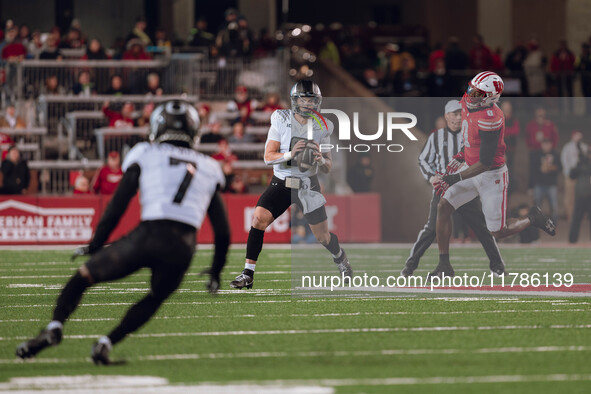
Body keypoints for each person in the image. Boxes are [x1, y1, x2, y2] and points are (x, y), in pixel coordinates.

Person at [16, 100, 230, 365]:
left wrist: (96, 243)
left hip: (149, 235)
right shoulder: (209, 166)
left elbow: (118, 205)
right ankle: (106, 343)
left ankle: (54, 328)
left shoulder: (146, 152)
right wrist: (216, 270)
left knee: (83, 277)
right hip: (183, 248)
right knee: (154, 298)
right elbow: (223, 231)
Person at [428, 72, 556, 279]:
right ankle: (444, 266)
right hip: (471, 167)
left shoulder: (492, 118)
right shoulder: (468, 100)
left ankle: (532, 218)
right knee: (443, 206)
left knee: (497, 231)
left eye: (478, 93)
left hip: (491, 175)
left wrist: (454, 178)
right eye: (471, 89)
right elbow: (469, 134)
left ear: (491, 97)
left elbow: (484, 164)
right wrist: (462, 154)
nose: (471, 94)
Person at [229, 80, 353, 290]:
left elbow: (328, 167)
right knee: (259, 218)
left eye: (311, 100)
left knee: (323, 237)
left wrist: (320, 159)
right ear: (295, 101)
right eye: (303, 99)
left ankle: (340, 258)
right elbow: (268, 157)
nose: (307, 104)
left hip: (307, 184)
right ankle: (247, 273)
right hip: (282, 181)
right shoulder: (280, 118)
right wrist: (290, 154)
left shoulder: (323, 125)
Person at [402, 100, 505, 277]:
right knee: (432, 228)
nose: (458, 118)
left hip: (466, 186)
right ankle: (411, 265)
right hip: (443, 189)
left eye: (460, 114)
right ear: (446, 116)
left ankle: (497, 265)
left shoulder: (471, 134)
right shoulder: (436, 137)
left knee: (480, 226)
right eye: (454, 114)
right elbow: (423, 160)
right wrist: (431, 176)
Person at [529, 139, 561, 223]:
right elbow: (533, 170)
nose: (546, 146)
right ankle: (536, 223)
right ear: (542, 145)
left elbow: (559, 168)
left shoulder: (555, 154)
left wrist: (552, 168)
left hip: (551, 184)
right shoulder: (536, 154)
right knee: (537, 205)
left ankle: (554, 223)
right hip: (539, 184)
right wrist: (531, 186)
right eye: (545, 144)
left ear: (551, 145)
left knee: (554, 206)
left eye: (548, 144)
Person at [561, 131, 588, 221]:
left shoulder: (584, 147)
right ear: (573, 136)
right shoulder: (568, 147)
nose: (579, 138)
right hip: (571, 175)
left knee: (582, 195)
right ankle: (569, 214)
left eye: (580, 136)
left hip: (582, 176)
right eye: (577, 136)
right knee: (570, 195)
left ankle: (583, 214)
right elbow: (564, 160)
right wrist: (567, 172)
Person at [568, 149, 591, 243]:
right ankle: (572, 241)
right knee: (576, 219)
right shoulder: (581, 163)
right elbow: (572, 175)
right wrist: (579, 163)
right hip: (581, 196)